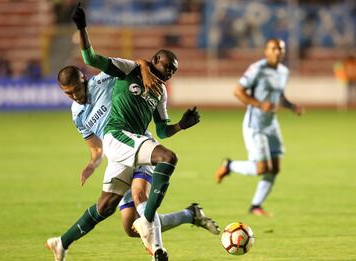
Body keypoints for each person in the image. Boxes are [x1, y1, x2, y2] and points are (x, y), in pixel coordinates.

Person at [46, 3, 201, 261]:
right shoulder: (78, 113)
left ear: (84, 80)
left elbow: (162, 129)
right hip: (118, 140)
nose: (74, 96)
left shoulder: (109, 82)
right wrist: (92, 162)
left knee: (107, 207)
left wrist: (182, 125)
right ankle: (154, 225)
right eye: (68, 93)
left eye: (174, 70)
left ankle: (62, 242)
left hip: (136, 141)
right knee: (166, 161)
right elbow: (99, 61)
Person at [215, 38, 304, 216]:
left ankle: (256, 206)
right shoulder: (257, 69)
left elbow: (279, 96)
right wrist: (259, 104)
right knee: (262, 168)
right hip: (255, 124)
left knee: (276, 168)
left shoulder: (283, 71)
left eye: (280, 49)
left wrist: (292, 106)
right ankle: (230, 165)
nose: (277, 52)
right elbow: (238, 91)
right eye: (273, 49)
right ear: (266, 51)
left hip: (271, 124)